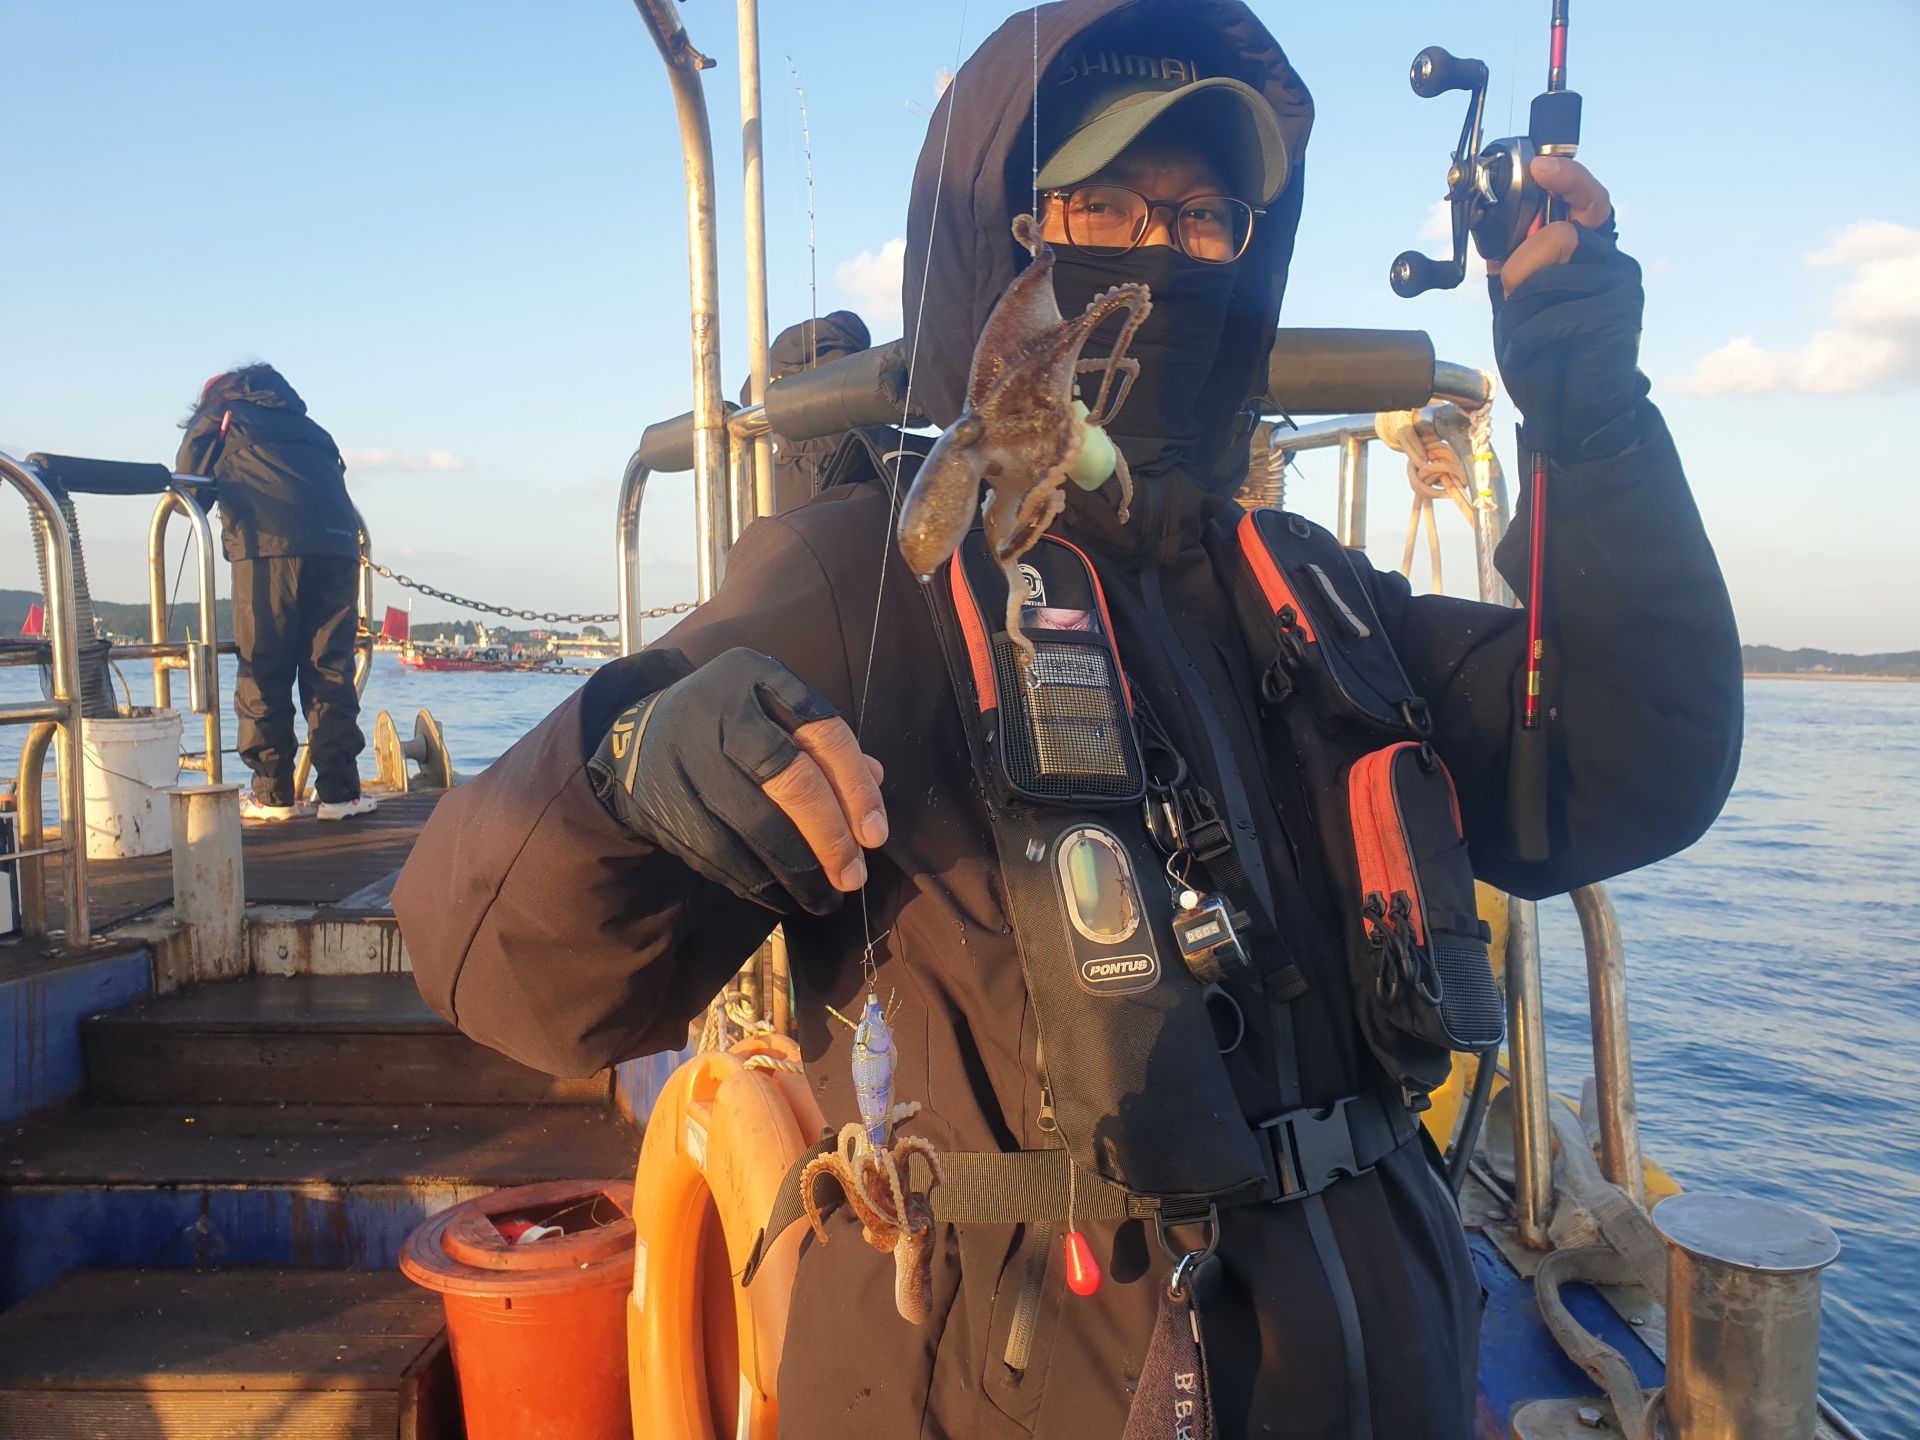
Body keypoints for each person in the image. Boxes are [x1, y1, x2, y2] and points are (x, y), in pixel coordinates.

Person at [394, 2, 1742, 1436]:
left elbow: (1633, 759)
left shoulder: (1322, 596)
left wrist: (1590, 406)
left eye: (1207, 217)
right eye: (1103, 205)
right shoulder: (868, 576)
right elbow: (507, 978)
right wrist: (626, 771)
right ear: (1009, 241)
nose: (1161, 251)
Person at [177, 364, 376, 822]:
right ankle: (340, 794)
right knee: (330, 668)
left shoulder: (223, 414)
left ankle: (271, 795)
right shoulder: (312, 429)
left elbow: (189, 484)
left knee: (264, 667)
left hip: (267, 546)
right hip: (339, 547)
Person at [742, 310, 874, 514]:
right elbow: (868, 416)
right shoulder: (846, 361)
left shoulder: (776, 356)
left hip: (764, 477)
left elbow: (746, 396)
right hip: (822, 479)